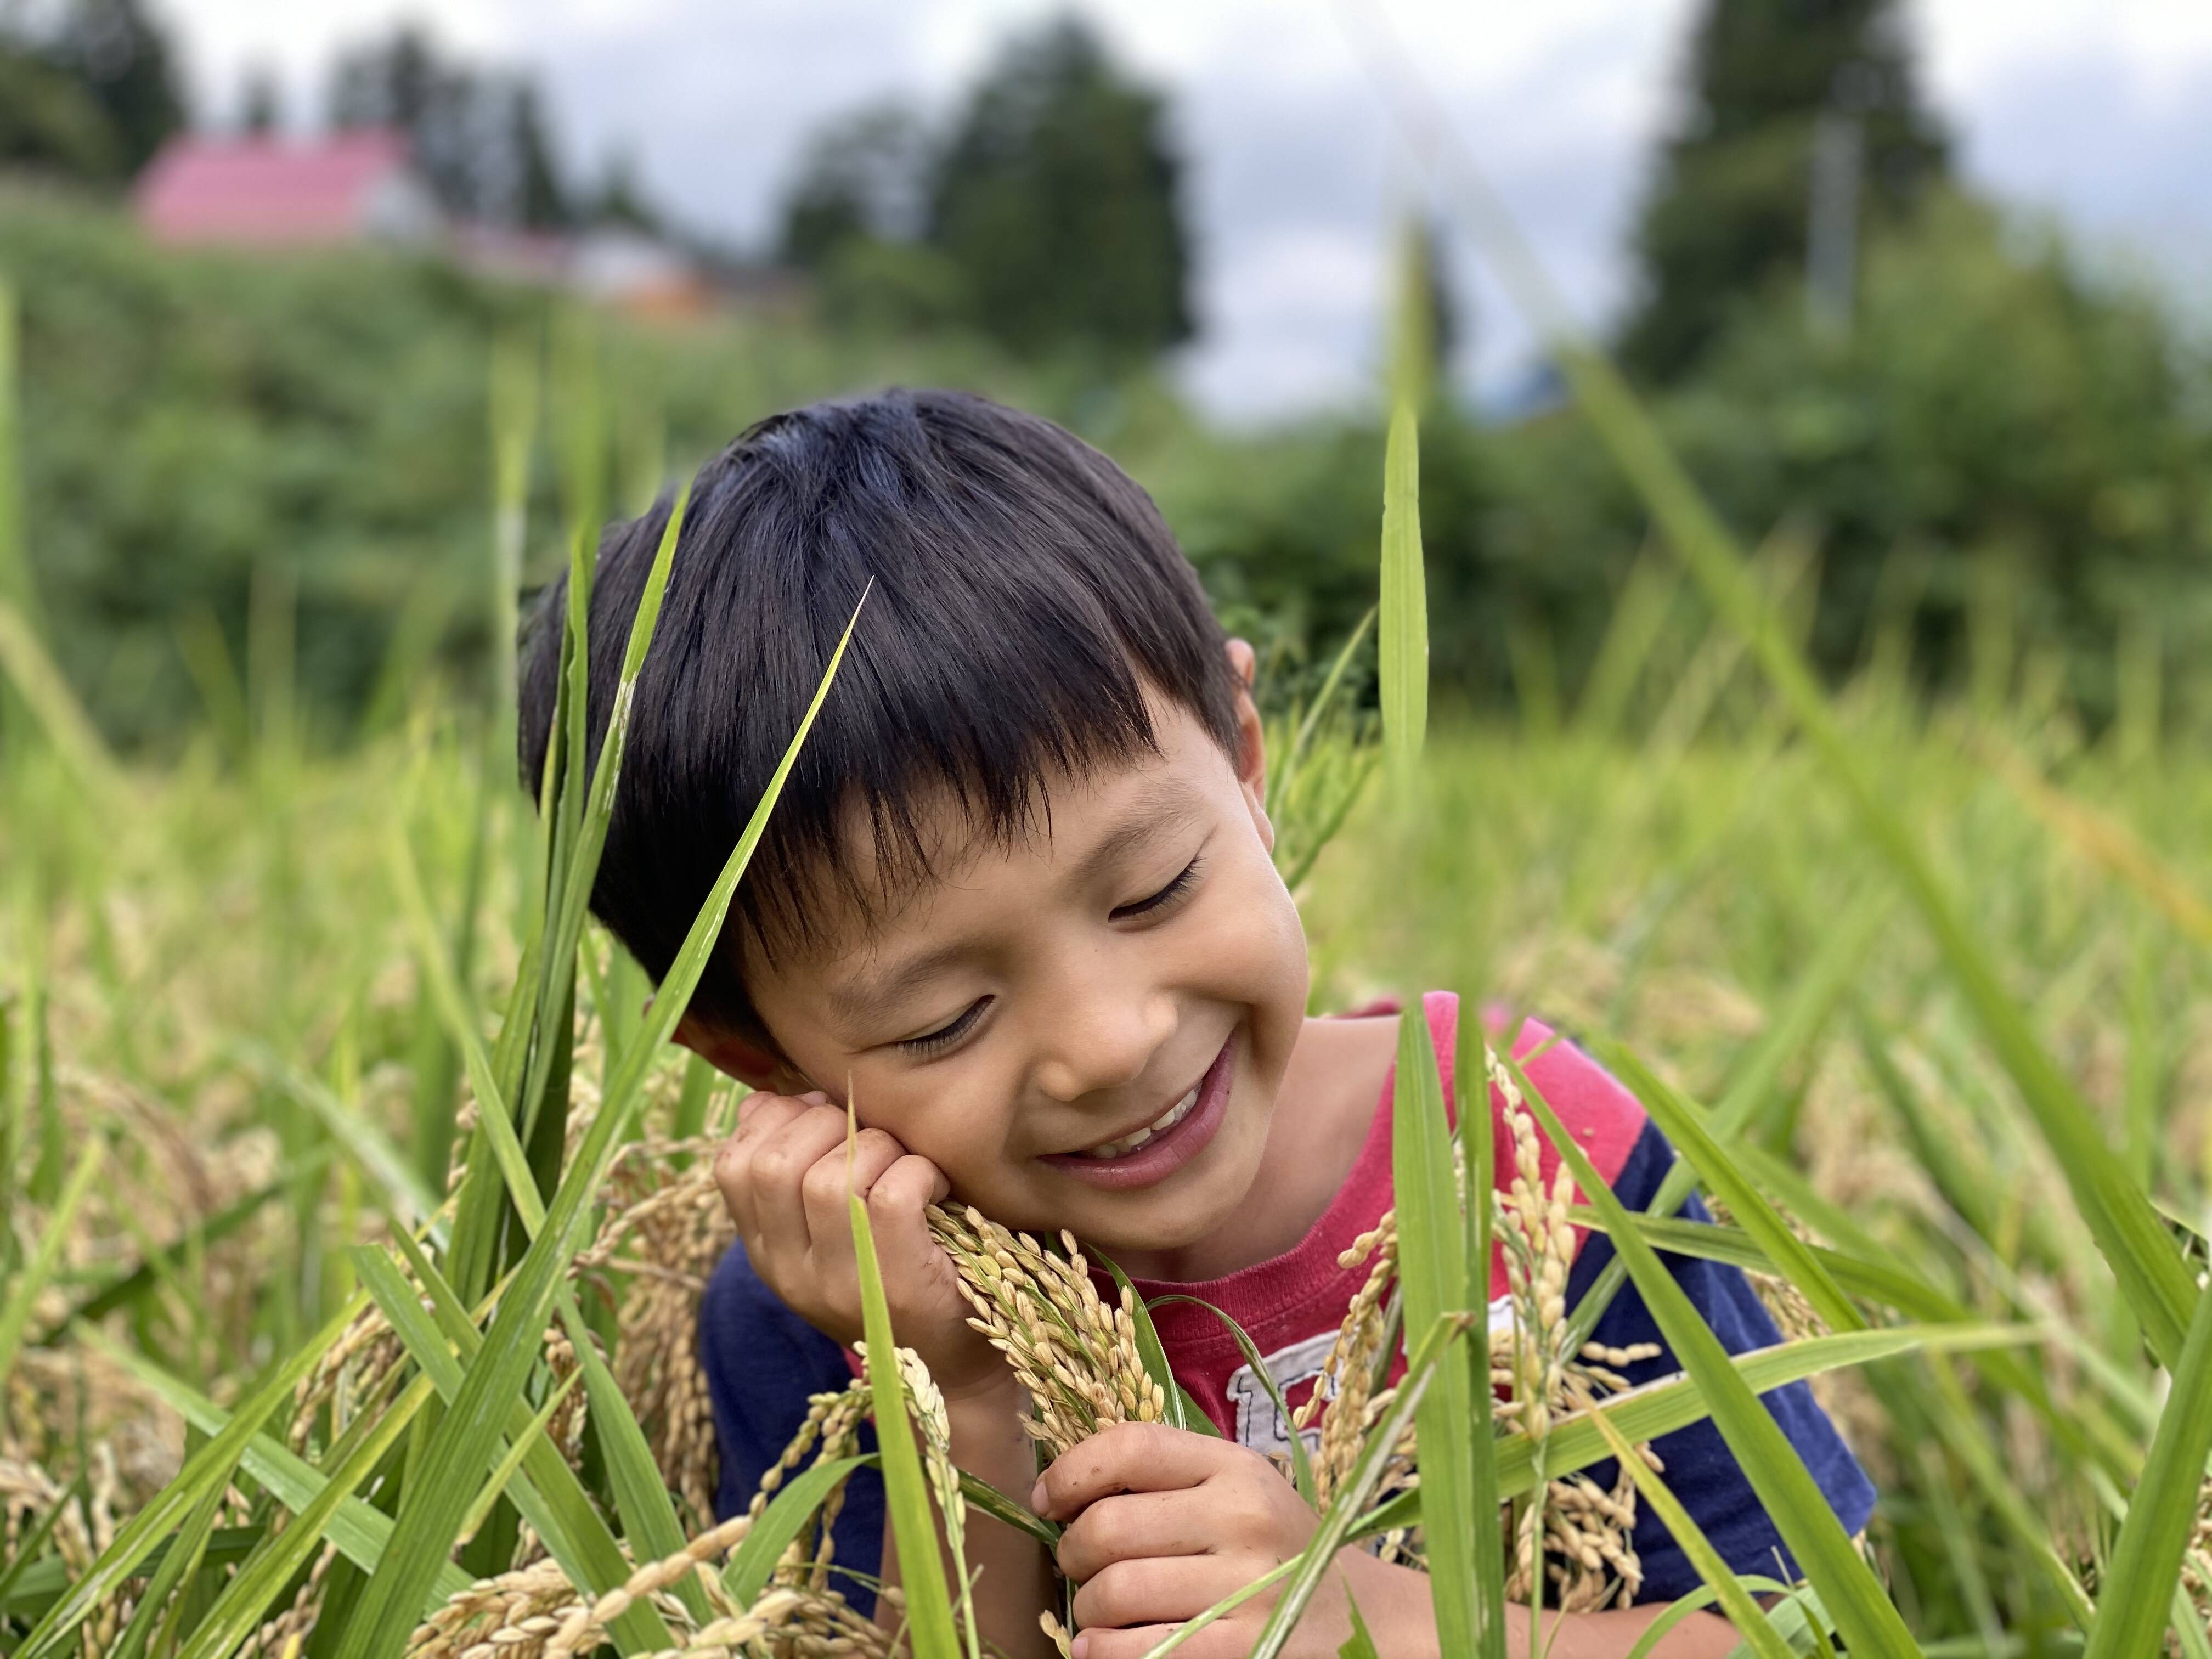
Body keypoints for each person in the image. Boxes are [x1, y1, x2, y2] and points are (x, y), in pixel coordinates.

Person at [517, 388, 1874, 1659]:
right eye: (945, 1017)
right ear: (762, 1061)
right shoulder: (825, 1301)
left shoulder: (1520, 1150)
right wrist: (959, 1394)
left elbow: (1819, 1630)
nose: (1109, 1043)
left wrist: (1363, 1617)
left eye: (1156, 886)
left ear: (1243, 756)